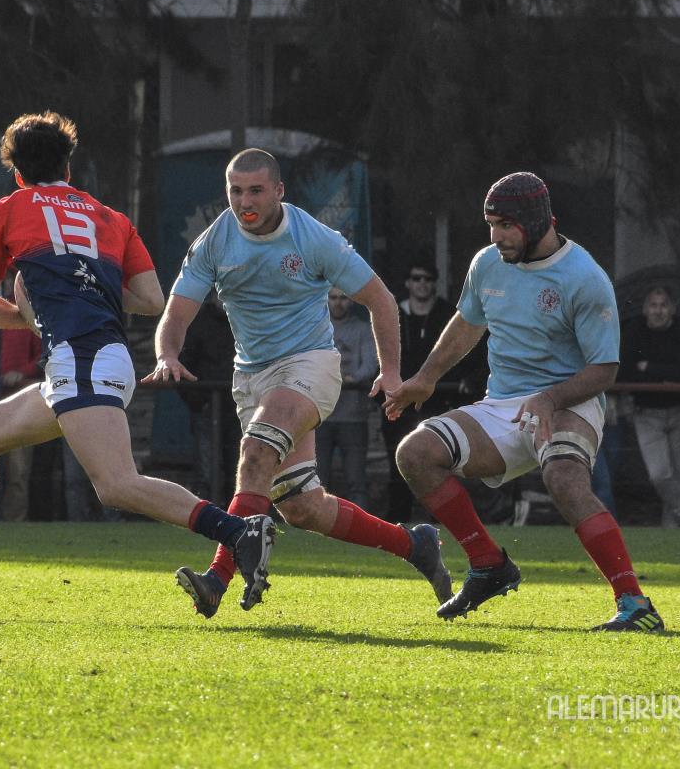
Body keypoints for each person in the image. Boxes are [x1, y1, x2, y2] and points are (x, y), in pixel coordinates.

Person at [0, 111, 275, 613]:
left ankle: (237, 531)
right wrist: (87, 291)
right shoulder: (110, 217)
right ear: (68, 168)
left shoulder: (8, 209)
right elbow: (150, 299)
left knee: (116, 485)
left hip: (81, 357)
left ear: (17, 173)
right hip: (92, 357)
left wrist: (35, 316)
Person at [143, 148, 451, 620]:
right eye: (235, 191)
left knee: (255, 452)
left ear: (279, 191)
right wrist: (166, 354)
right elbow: (177, 313)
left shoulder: (313, 238)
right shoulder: (215, 240)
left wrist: (390, 373)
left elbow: (382, 300)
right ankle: (415, 545)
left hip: (310, 365)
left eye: (256, 191)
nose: (245, 202)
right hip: (252, 378)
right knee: (304, 507)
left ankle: (216, 579)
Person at [385, 171, 665, 633]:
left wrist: (550, 398)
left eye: (505, 225)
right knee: (414, 454)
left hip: (571, 401)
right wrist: (425, 378)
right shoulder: (487, 263)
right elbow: (468, 323)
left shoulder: (584, 277)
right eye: (491, 225)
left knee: (563, 477)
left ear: (536, 222)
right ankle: (488, 564)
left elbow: (604, 370)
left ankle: (635, 604)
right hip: (504, 405)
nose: (495, 237)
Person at [380, 257, 487, 523]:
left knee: (438, 463)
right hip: (400, 402)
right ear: (408, 282)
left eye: (428, 279)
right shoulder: (395, 315)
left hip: (441, 401)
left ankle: (442, 520)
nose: (422, 284)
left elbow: (472, 353)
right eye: (416, 278)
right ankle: (399, 521)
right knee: (397, 464)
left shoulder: (447, 315)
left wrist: (465, 383)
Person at [619, 286, 680, 527]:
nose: (658, 311)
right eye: (653, 305)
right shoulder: (635, 331)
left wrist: (648, 367)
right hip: (646, 413)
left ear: (672, 309)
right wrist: (664, 374)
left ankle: (674, 532)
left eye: (663, 305)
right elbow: (625, 371)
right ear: (645, 309)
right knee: (660, 474)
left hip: (678, 411)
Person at [315, 288, 377, 512]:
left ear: (351, 301)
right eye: (333, 297)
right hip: (320, 415)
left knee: (356, 480)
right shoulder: (316, 329)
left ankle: (362, 524)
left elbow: (370, 365)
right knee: (317, 481)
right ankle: (317, 522)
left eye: (343, 298)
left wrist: (349, 379)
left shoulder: (363, 329)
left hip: (353, 415)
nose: (338, 303)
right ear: (326, 299)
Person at [176, 291, 242, 501]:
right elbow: (183, 362)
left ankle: (237, 514)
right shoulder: (199, 321)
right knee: (206, 472)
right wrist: (198, 401)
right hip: (207, 407)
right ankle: (206, 515)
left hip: (239, 407)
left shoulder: (244, 320)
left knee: (238, 470)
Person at [0, 269, 44, 522]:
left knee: (17, 470)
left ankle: (13, 522)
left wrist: (20, 373)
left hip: (19, 401)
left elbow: (42, 356)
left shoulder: (30, 316)